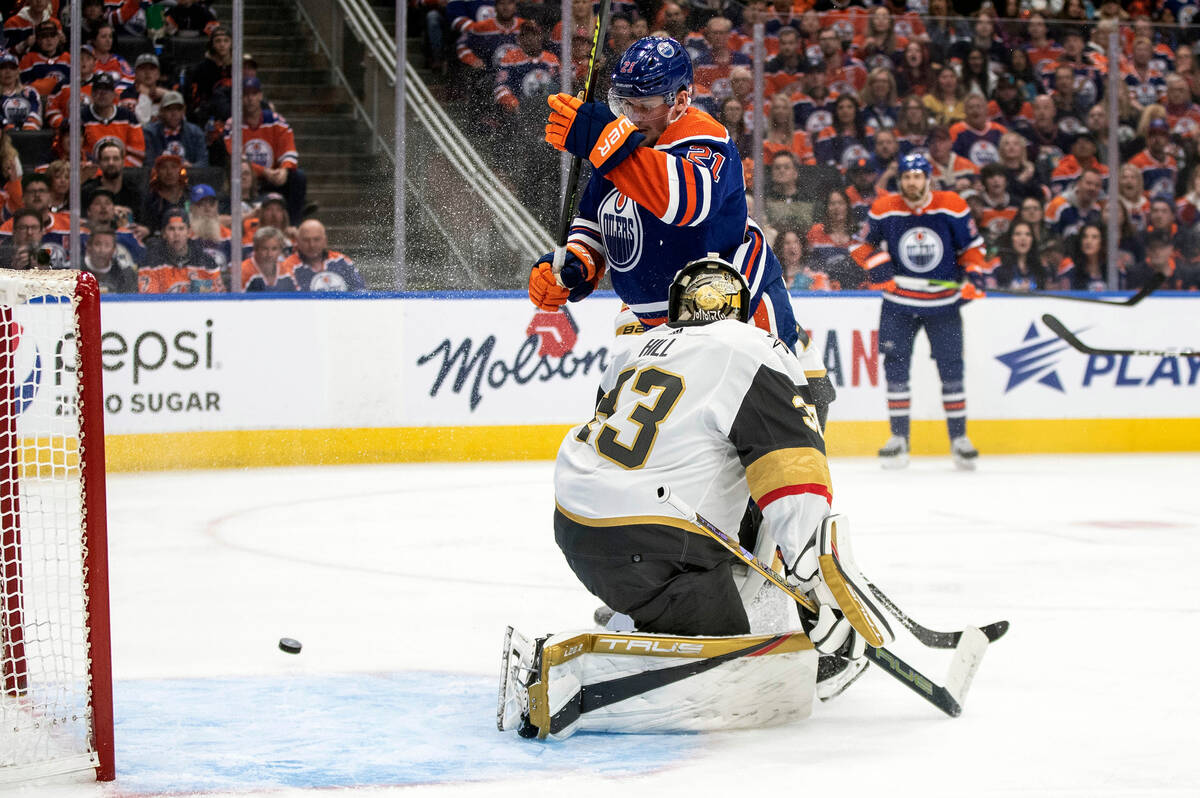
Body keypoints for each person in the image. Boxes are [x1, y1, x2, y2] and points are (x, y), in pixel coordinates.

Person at [499, 255, 893, 740]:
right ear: (741, 308)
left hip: (576, 527)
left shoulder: (640, 345)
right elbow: (793, 471)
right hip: (656, 542)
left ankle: (638, 612)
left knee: (728, 525)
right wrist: (820, 585)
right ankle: (580, 686)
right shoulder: (752, 346)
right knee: (738, 672)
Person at [530, 35, 834, 421]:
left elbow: (685, 204)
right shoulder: (621, 145)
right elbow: (595, 225)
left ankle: (801, 356)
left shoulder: (705, 136)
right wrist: (571, 268)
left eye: (644, 105)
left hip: (736, 312)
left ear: (680, 100)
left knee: (771, 434)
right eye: (623, 104)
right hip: (652, 322)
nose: (631, 116)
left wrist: (604, 144)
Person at [851, 152, 986, 471]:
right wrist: (880, 266)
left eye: (917, 176)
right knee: (896, 369)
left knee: (952, 369)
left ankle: (959, 439)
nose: (912, 182)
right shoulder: (885, 208)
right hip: (899, 303)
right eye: (907, 177)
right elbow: (860, 246)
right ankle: (899, 439)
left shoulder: (951, 204)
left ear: (928, 179)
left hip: (944, 303)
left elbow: (972, 248)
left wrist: (975, 276)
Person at [224, 78, 307, 225]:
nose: (250, 99)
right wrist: (264, 171)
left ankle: (294, 225)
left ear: (260, 96)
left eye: (254, 94)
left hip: (274, 177)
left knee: (298, 177)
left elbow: (289, 150)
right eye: (245, 94)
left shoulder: (276, 121)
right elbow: (236, 156)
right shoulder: (233, 123)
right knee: (239, 172)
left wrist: (285, 170)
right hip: (249, 177)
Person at [139, 208, 225, 293]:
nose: (177, 234)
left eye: (181, 228)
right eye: (171, 229)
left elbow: (217, 300)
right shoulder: (150, 263)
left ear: (189, 232)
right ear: (164, 234)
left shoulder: (206, 263)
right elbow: (151, 303)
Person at [81, 72, 146, 167]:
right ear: (92, 94)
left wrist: (117, 170)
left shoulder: (127, 116)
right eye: (98, 90)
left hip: (123, 174)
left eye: (106, 90)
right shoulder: (82, 117)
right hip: (91, 174)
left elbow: (138, 152)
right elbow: (76, 152)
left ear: (114, 94)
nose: (102, 94)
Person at [284, 219, 364, 291]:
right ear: (298, 241)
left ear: (325, 241)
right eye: (306, 240)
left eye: (316, 239)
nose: (312, 245)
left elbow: (360, 290)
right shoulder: (288, 266)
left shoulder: (341, 261)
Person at [82, 140, 145, 227]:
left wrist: (145, 230)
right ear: (99, 163)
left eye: (115, 159)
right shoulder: (87, 191)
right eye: (106, 159)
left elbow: (142, 222)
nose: (111, 163)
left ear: (123, 162)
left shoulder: (134, 192)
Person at [143, 91, 209, 166]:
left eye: (178, 109)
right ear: (161, 111)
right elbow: (149, 163)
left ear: (183, 111)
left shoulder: (196, 132)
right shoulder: (150, 132)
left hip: (190, 175)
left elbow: (203, 162)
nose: (174, 113)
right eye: (169, 109)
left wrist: (191, 167)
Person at [81, 226, 139, 293]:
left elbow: (130, 301)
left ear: (114, 249)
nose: (102, 250)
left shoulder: (125, 275)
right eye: (97, 244)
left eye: (107, 245)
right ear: (89, 246)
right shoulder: (76, 269)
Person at [240, 226, 298, 291]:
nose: (269, 254)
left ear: (280, 250)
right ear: (256, 248)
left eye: (274, 249)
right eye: (264, 249)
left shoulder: (287, 271)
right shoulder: (242, 270)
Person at [0, 53, 42, 131]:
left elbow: (35, 114)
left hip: (28, 133)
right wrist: (5, 124)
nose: (8, 71)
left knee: (32, 125)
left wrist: (27, 125)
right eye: (3, 68)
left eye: (12, 68)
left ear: (17, 72)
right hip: (3, 134)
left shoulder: (30, 92)